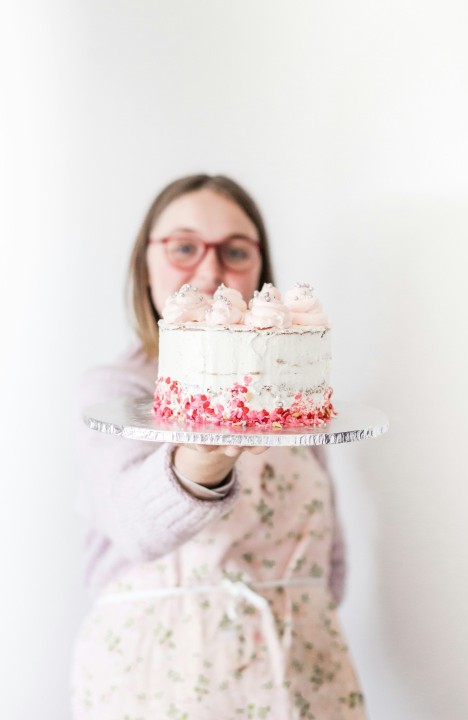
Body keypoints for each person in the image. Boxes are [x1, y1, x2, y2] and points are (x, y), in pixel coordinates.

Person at [71, 174, 366, 719]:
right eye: (184, 247)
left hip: (300, 675)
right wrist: (206, 456)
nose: (210, 271)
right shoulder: (117, 391)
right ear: (144, 265)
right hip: (160, 680)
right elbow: (133, 524)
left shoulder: (292, 395)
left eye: (235, 251)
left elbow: (331, 560)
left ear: (260, 270)